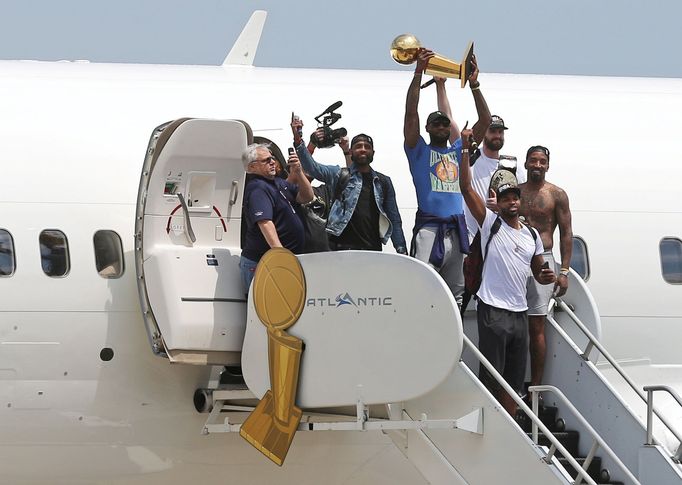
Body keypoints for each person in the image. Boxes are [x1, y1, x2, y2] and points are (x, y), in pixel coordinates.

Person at [459, 125, 556, 416]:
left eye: (514, 197)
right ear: (497, 202)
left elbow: (538, 270)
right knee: (492, 374)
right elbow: (465, 188)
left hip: (518, 312)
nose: (511, 201)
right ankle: (489, 420)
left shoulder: (532, 236)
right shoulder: (490, 223)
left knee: (514, 379)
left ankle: (510, 424)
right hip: (493, 309)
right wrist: (465, 148)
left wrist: (546, 275)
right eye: (505, 198)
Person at [403, 48, 491, 306]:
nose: (442, 127)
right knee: (423, 290)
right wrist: (418, 72)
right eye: (436, 124)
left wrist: (474, 85)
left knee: (456, 296)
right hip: (430, 229)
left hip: (456, 229)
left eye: (445, 124)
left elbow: (485, 120)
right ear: (428, 128)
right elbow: (411, 113)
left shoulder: (458, 150)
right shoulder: (417, 150)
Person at [292, 117, 407, 254]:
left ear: (373, 153)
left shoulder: (383, 181)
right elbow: (312, 168)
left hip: (373, 249)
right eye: (358, 147)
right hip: (341, 247)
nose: (363, 150)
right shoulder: (339, 174)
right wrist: (298, 138)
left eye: (367, 147)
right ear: (351, 152)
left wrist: (401, 249)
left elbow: (394, 217)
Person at [519, 145, 573, 390]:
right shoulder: (514, 193)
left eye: (542, 161)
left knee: (537, 324)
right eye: (533, 160)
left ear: (547, 165)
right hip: (517, 258)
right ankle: (512, 382)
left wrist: (564, 272)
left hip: (544, 258)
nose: (537, 165)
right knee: (512, 321)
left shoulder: (557, 194)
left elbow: (567, 233)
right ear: (526, 163)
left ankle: (536, 387)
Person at [239, 143, 314, 291]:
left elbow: (307, 197)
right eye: (267, 160)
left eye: (272, 158)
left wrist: (298, 172)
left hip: (280, 261)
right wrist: (280, 255)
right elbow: (265, 223)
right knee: (267, 310)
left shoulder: (278, 183)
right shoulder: (258, 188)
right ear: (252, 167)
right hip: (265, 262)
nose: (273, 162)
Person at [463, 115, 527, 241]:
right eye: (492, 131)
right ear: (484, 133)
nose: (497, 135)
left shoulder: (513, 166)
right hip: (472, 237)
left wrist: (502, 206)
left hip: (504, 237)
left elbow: (522, 203)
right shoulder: (471, 159)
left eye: (500, 132)